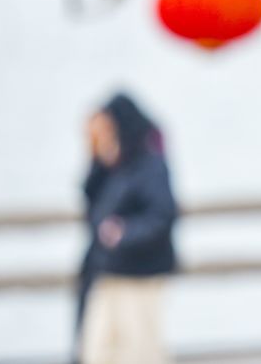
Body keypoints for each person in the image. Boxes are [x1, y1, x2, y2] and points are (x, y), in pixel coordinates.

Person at [76, 93, 177, 364]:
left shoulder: (149, 164)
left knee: (141, 352)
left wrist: (125, 234)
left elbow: (163, 215)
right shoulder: (111, 167)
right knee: (98, 352)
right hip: (107, 273)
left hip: (140, 275)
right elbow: (90, 203)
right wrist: (96, 157)